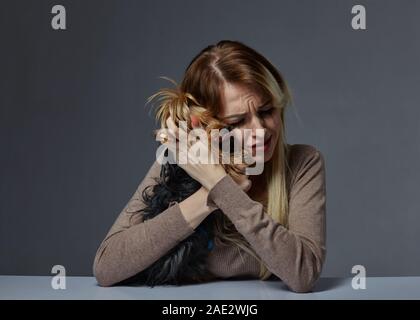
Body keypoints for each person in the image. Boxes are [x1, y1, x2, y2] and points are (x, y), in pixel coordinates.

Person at [93, 40, 326, 293]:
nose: (260, 130)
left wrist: (223, 189)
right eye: (237, 121)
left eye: (267, 110)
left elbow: (304, 274)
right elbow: (107, 266)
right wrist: (210, 194)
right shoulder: (180, 162)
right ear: (206, 124)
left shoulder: (303, 163)